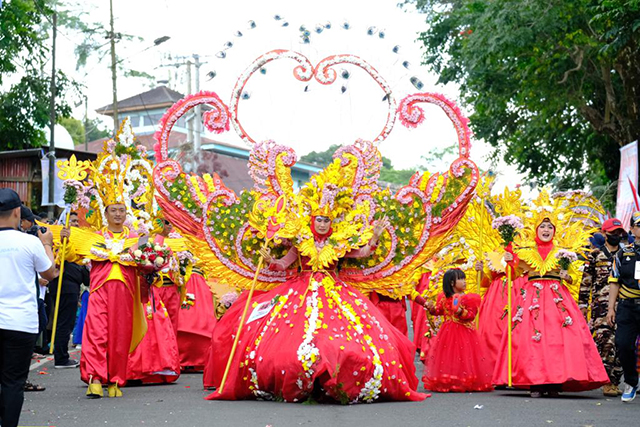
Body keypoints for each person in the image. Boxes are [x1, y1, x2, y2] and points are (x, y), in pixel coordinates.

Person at [203, 214, 426, 402]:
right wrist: (271, 259)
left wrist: (375, 236)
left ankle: (336, 377)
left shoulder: (340, 242)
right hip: (300, 292)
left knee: (340, 337)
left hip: (335, 292)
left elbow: (364, 253)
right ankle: (298, 378)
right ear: (312, 222)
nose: (322, 224)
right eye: (318, 220)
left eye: (326, 220)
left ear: (332, 224)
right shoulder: (300, 242)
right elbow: (283, 264)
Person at [493, 216, 609, 397]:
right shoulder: (525, 252)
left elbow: (571, 278)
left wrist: (566, 275)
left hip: (557, 299)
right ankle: (535, 383)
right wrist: (510, 261)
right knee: (532, 339)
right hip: (532, 298)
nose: (546, 230)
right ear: (536, 230)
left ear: (554, 231)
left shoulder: (563, 253)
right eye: (542, 226)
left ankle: (555, 381)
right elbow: (513, 275)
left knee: (558, 339)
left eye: (550, 227)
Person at [0, 188, 58, 427]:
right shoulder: (29, 242)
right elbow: (50, 272)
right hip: (20, 323)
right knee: (13, 382)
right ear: (16, 211)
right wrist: (47, 244)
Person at [423, 268, 493, 392]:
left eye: (464, 278)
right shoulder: (443, 297)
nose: (464, 282)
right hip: (448, 331)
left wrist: (460, 311)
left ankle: (465, 379)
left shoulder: (470, 298)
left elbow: (471, 316)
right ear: (451, 283)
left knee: (465, 357)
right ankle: (449, 379)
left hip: (464, 331)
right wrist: (431, 308)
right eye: (461, 279)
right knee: (448, 356)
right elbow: (439, 311)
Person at [579, 218, 626, 396]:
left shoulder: (626, 254)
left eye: (619, 233)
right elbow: (586, 282)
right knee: (605, 342)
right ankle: (606, 380)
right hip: (601, 307)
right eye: (613, 233)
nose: (616, 236)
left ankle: (615, 380)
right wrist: (583, 305)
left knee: (621, 343)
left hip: (624, 305)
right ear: (604, 233)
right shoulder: (595, 255)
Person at [607, 211, 640, 402]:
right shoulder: (622, 253)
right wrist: (611, 308)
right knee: (623, 344)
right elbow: (614, 281)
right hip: (627, 305)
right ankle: (630, 381)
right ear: (633, 229)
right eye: (639, 226)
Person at [50, 212, 90, 369]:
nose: (75, 224)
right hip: (64, 286)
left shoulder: (77, 239)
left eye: (76, 221)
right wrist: (63, 239)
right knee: (64, 322)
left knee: (65, 321)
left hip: (71, 286)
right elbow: (66, 255)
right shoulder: (58, 240)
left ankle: (61, 355)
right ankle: (61, 358)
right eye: (72, 221)